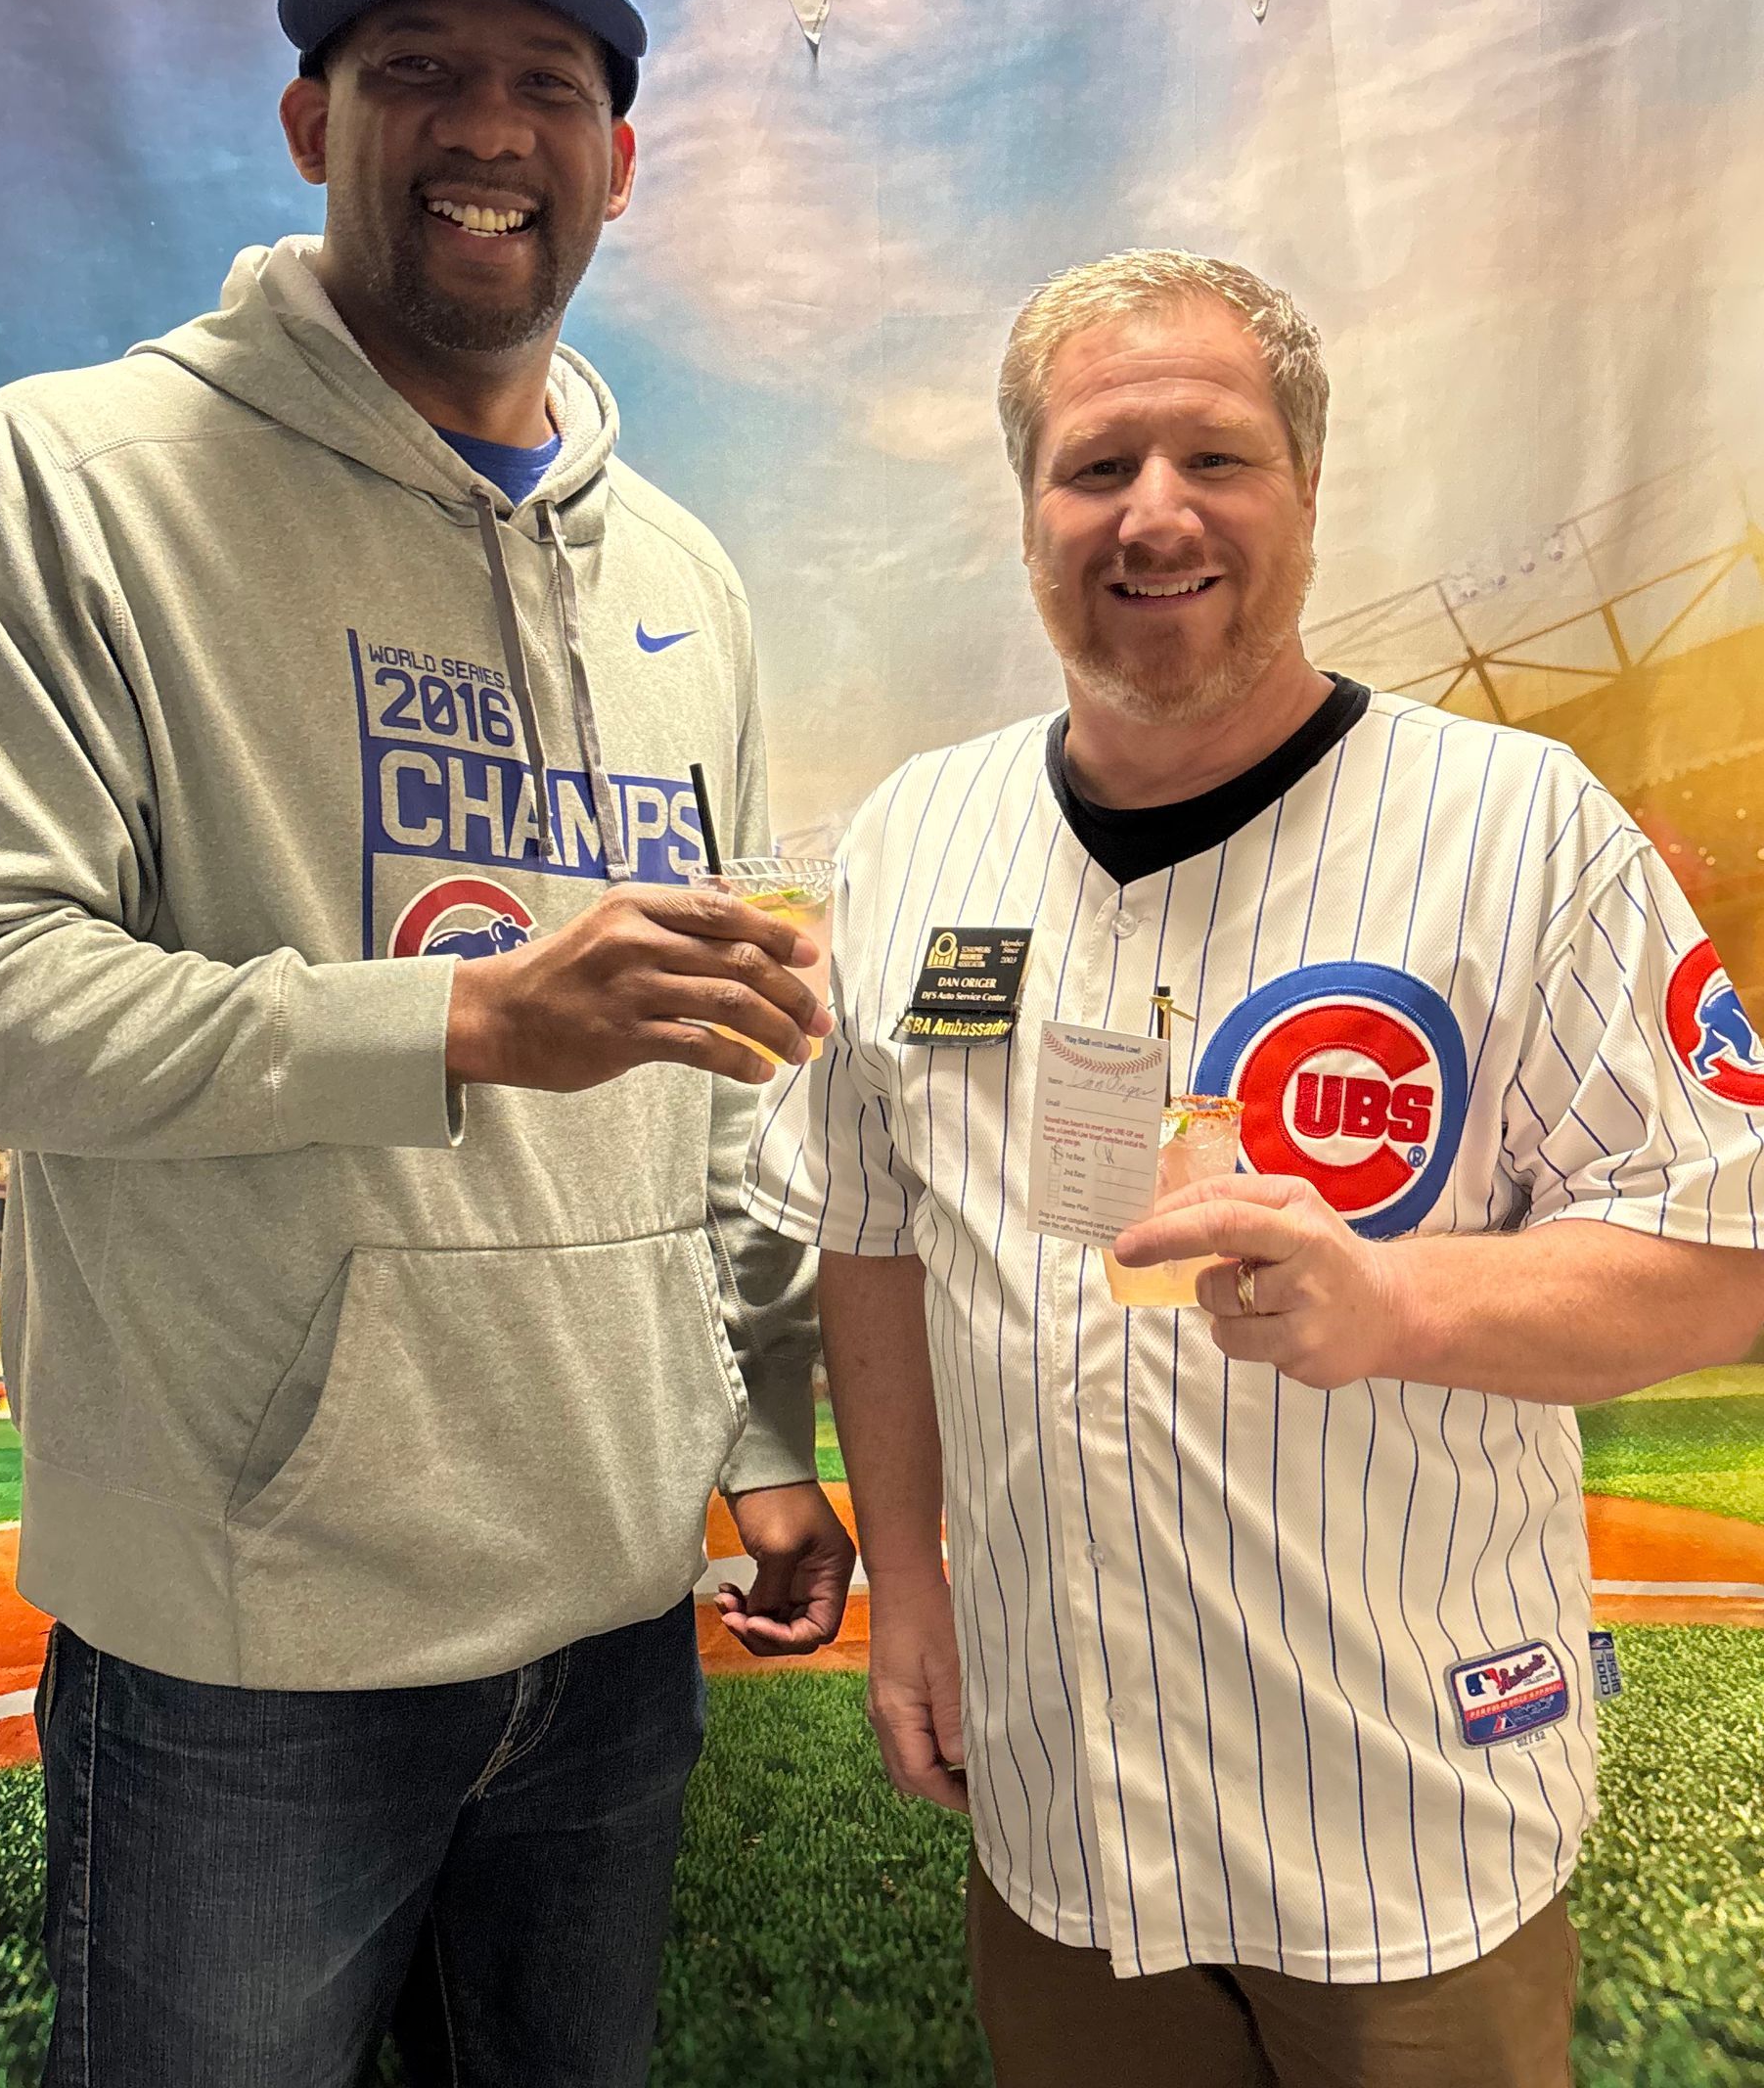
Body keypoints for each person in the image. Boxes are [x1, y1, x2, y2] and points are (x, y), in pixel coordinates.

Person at [0, 0, 855, 2088]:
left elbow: (712, 1086)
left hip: (615, 1621)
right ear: (314, 121)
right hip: (251, 1648)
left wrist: (755, 1437)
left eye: (548, 82)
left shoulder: (686, 578)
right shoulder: (65, 480)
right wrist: (464, 1019)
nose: (488, 128)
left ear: (618, 156)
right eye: (419, 68)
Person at [742, 248, 1764, 2088]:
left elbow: (1722, 1248)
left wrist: (1401, 1302)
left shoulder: (1518, 826)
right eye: (1095, 466)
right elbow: (874, 1236)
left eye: (1214, 457)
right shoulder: (911, 837)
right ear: (1030, 511)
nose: (1154, 515)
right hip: (1057, 1810)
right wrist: (911, 1585)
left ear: (1305, 486)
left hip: (1405, 1818)